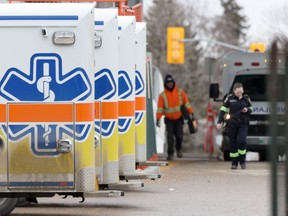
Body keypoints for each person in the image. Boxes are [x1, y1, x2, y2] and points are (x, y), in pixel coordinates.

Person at [156, 74, 194, 160]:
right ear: (165, 84)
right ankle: (170, 154)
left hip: (179, 118)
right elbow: (160, 109)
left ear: (173, 83)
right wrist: (158, 118)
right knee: (170, 137)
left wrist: (191, 113)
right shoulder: (162, 95)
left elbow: (187, 104)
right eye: (168, 82)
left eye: (171, 82)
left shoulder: (180, 92)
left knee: (179, 136)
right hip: (169, 119)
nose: (170, 84)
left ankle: (179, 149)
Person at [216, 82, 253, 169]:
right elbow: (223, 110)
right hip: (232, 123)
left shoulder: (246, 98)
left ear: (243, 90)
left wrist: (246, 110)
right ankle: (234, 163)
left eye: (241, 92)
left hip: (243, 123)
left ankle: (242, 161)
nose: (239, 93)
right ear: (234, 91)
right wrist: (219, 121)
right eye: (238, 92)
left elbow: (251, 108)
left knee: (242, 141)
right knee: (233, 143)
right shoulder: (229, 98)